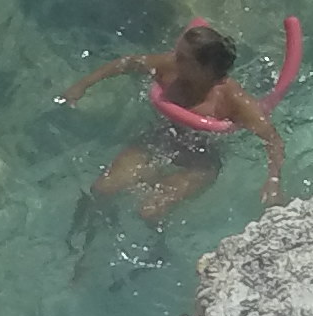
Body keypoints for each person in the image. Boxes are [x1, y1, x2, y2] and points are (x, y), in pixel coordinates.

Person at [61, 19, 284, 229]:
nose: (174, 59)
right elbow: (127, 63)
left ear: (205, 69)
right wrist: (82, 85)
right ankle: (83, 236)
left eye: (182, 58)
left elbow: (272, 140)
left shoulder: (233, 100)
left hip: (201, 159)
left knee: (150, 211)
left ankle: (157, 246)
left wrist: (273, 181)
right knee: (101, 189)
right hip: (161, 138)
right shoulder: (170, 68)